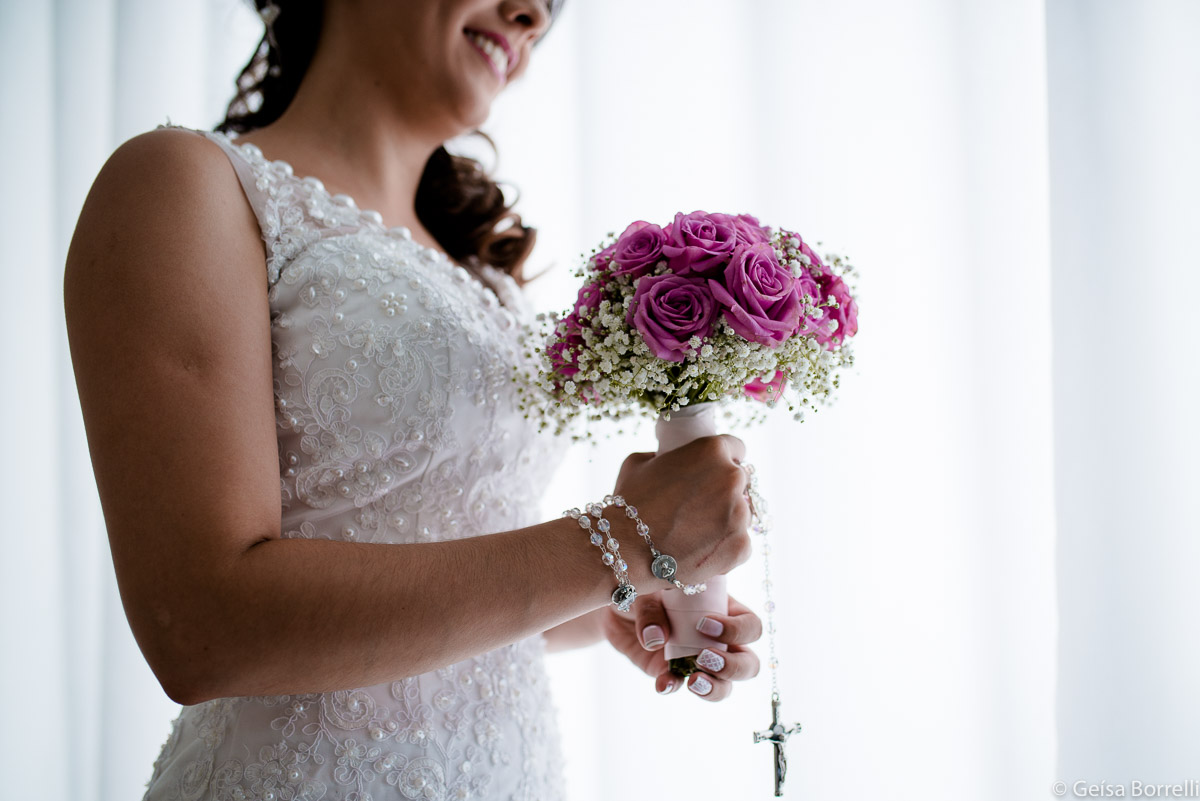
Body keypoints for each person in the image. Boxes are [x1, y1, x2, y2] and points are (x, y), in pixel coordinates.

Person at [63, 1, 764, 798]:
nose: (532, 14)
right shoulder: (186, 184)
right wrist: (620, 538)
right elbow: (197, 627)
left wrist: (625, 590)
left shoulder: (488, 278)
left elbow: (455, 546)